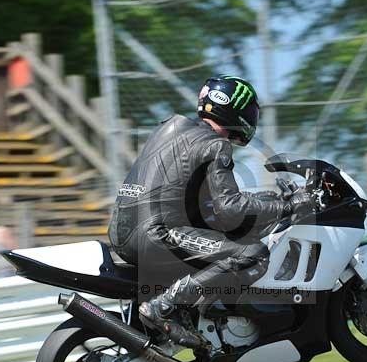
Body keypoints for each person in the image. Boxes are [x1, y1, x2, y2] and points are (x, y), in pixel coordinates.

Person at [107, 75, 317, 348]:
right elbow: (230, 210)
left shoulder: (170, 129)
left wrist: (268, 200)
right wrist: (289, 205)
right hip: (157, 234)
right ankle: (165, 307)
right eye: (250, 111)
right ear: (233, 108)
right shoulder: (214, 144)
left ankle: (189, 313)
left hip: (124, 231)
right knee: (250, 254)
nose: (251, 118)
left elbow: (201, 202)